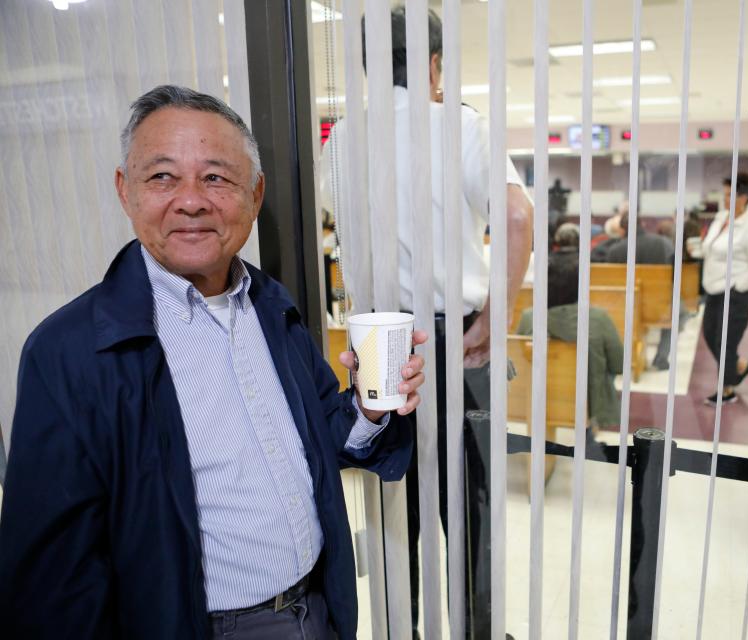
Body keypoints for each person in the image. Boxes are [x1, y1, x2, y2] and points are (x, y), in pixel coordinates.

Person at [0, 85, 427, 639]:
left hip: (314, 610)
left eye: (216, 177)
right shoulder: (71, 350)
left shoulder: (273, 306)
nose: (191, 200)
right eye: (162, 177)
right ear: (124, 191)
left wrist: (370, 411)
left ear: (255, 194)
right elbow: (53, 577)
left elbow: (320, 436)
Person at [319, 8, 533, 637]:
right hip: (449, 338)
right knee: (469, 508)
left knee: (395, 501)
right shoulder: (458, 125)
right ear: (435, 65)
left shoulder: (340, 142)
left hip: (377, 342)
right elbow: (516, 219)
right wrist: (501, 314)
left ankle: (404, 629)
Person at [518, 227, 624, 429]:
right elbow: (618, 364)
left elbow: (520, 362)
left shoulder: (529, 317)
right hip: (585, 401)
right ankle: (593, 419)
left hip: (536, 399)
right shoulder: (598, 318)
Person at [700, 171, 748, 404]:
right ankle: (741, 365)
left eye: (730, 195)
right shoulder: (721, 218)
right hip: (714, 289)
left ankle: (726, 390)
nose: (725, 199)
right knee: (710, 334)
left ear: (744, 197)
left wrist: (739, 287)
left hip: (735, 292)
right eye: (725, 194)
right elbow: (710, 249)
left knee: (725, 341)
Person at [592, 207, 675, 370]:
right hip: (658, 308)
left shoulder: (615, 251)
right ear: (642, 224)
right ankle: (661, 357)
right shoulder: (664, 244)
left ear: (622, 230)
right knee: (677, 311)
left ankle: (619, 357)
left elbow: (613, 284)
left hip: (626, 307)